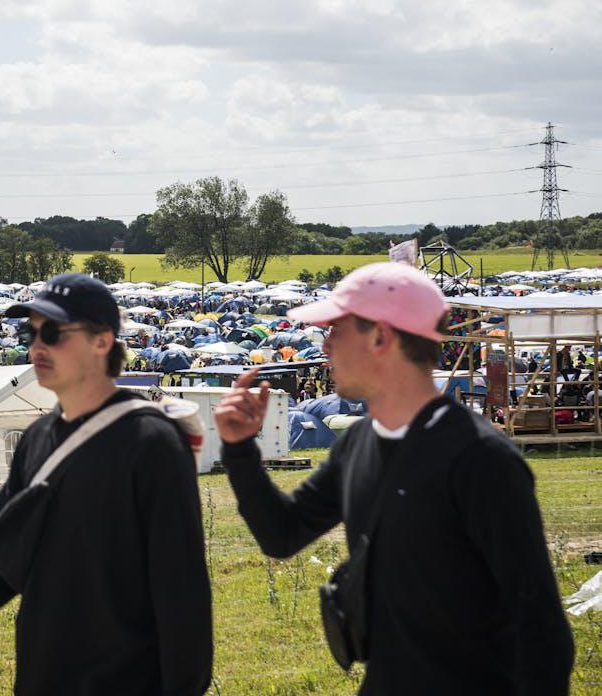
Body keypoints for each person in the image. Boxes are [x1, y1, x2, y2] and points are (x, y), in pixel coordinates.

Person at [214, 261, 574, 696]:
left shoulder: (480, 458)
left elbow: (541, 629)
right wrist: (239, 449)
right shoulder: (358, 442)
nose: (325, 346)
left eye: (336, 330)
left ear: (381, 337)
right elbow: (282, 534)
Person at [0, 272, 212, 696]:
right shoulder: (37, 438)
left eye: (52, 333)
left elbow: (181, 591)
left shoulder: (151, 444)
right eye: (30, 334)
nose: (36, 347)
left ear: (102, 341)